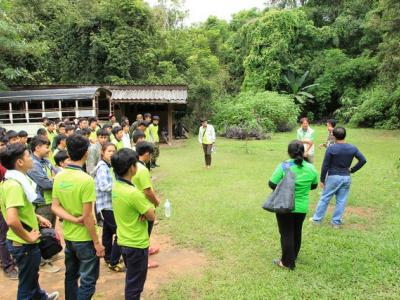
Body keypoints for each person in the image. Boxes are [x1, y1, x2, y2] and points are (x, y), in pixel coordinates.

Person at [0, 143, 59, 299]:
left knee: (31, 275)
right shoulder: (14, 185)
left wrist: (37, 217)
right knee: (26, 283)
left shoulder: (13, 180)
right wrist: (28, 237)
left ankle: (41, 297)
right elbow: (12, 220)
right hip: (23, 243)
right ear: (19, 162)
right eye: (28, 155)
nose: (31, 158)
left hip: (22, 241)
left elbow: (19, 212)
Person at [51, 134, 105, 300]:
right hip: (85, 238)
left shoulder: (59, 176)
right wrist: (97, 243)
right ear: (86, 153)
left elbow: (55, 207)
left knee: (71, 275)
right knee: (88, 279)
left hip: (69, 236)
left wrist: (72, 220)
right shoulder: (86, 180)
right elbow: (87, 217)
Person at [111, 148, 155, 300]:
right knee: (135, 284)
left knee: (132, 276)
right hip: (136, 244)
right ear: (132, 167)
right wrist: (144, 212)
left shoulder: (116, 186)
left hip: (124, 240)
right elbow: (151, 215)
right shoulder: (133, 193)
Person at [268, 140, 318, 270]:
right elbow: (314, 185)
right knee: (296, 231)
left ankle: (287, 262)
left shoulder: (284, 166)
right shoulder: (311, 168)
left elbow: (272, 184)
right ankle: (293, 255)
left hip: (285, 205)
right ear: (303, 151)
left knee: (286, 233)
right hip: (301, 207)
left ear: (289, 153)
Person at [310, 127, 367, 228]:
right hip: (346, 177)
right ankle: (336, 223)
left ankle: (317, 220)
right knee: (341, 200)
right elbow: (363, 160)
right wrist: (352, 170)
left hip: (333, 177)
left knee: (325, 198)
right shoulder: (352, 147)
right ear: (345, 135)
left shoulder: (331, 148)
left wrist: (322, 179)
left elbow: (325, 165)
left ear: (334, 136)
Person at [27, 136, 60, 273]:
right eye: (46, 147)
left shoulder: (45, 161)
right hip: (41, 203)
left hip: (50, 200)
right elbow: (45, 183)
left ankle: (50, 254)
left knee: (50, 229)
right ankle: (43, 261)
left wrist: (55, 178)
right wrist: (55, 180)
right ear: (37, 148)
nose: (48, 149)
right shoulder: (34, 164)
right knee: (43, 232)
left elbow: (58, 173)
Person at [93, 143, 124, 272]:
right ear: (102, 152)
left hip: (109, 205)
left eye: (113, 151)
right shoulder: (102, 167)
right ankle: (113, 261)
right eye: (109, 151)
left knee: (107, 232)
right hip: (106, 206)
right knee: (120, 233)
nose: (111, 153)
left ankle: (108, 256)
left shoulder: (109, 166)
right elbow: (104, 186)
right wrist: (121, 187)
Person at [132, 142, 160, 268]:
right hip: (144, 205)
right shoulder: (142, 169)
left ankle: (145, 252)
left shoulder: (132, 165)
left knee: (142, 233)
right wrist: (156, 201)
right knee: (144, 235)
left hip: (136, 204)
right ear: (147, 154)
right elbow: (147, 191)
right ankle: (143, 262)